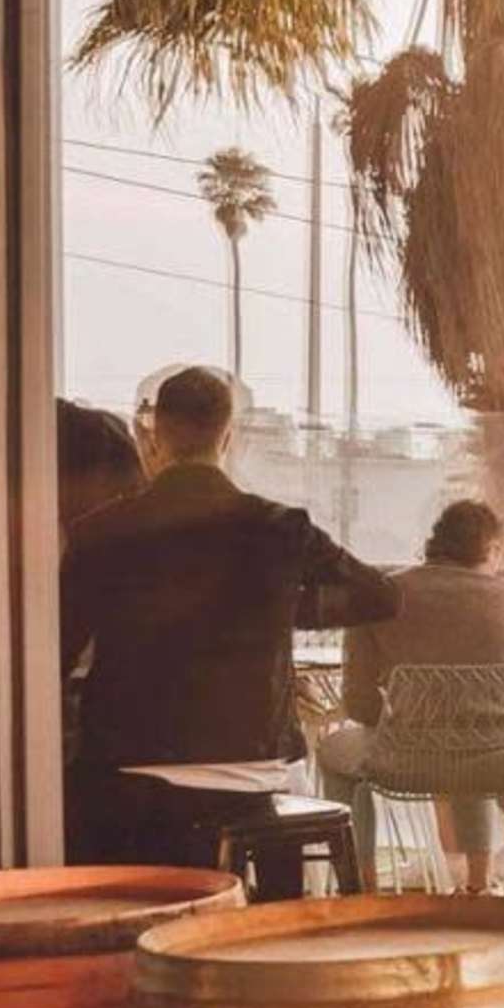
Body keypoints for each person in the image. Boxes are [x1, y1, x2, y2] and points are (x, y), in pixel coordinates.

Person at [64, 364, 398, 875]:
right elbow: (379, 596)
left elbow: (56, 648)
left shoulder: (101, 532)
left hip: (129, 769)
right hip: (256, 768)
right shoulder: (281, 527)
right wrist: (285, 607)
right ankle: (268, 931)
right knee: (290, 798)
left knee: (66, 798)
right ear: (229, 436)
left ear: (155, 437)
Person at [319, 500, 504, 892]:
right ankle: (478, 885)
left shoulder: (383, 593)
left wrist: (404, 726)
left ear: (433, 544)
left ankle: (362, 888)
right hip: (498, 758)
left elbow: (357, 701)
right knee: (472, 747)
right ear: (491, 551)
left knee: (334, 753)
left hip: (404, 758)